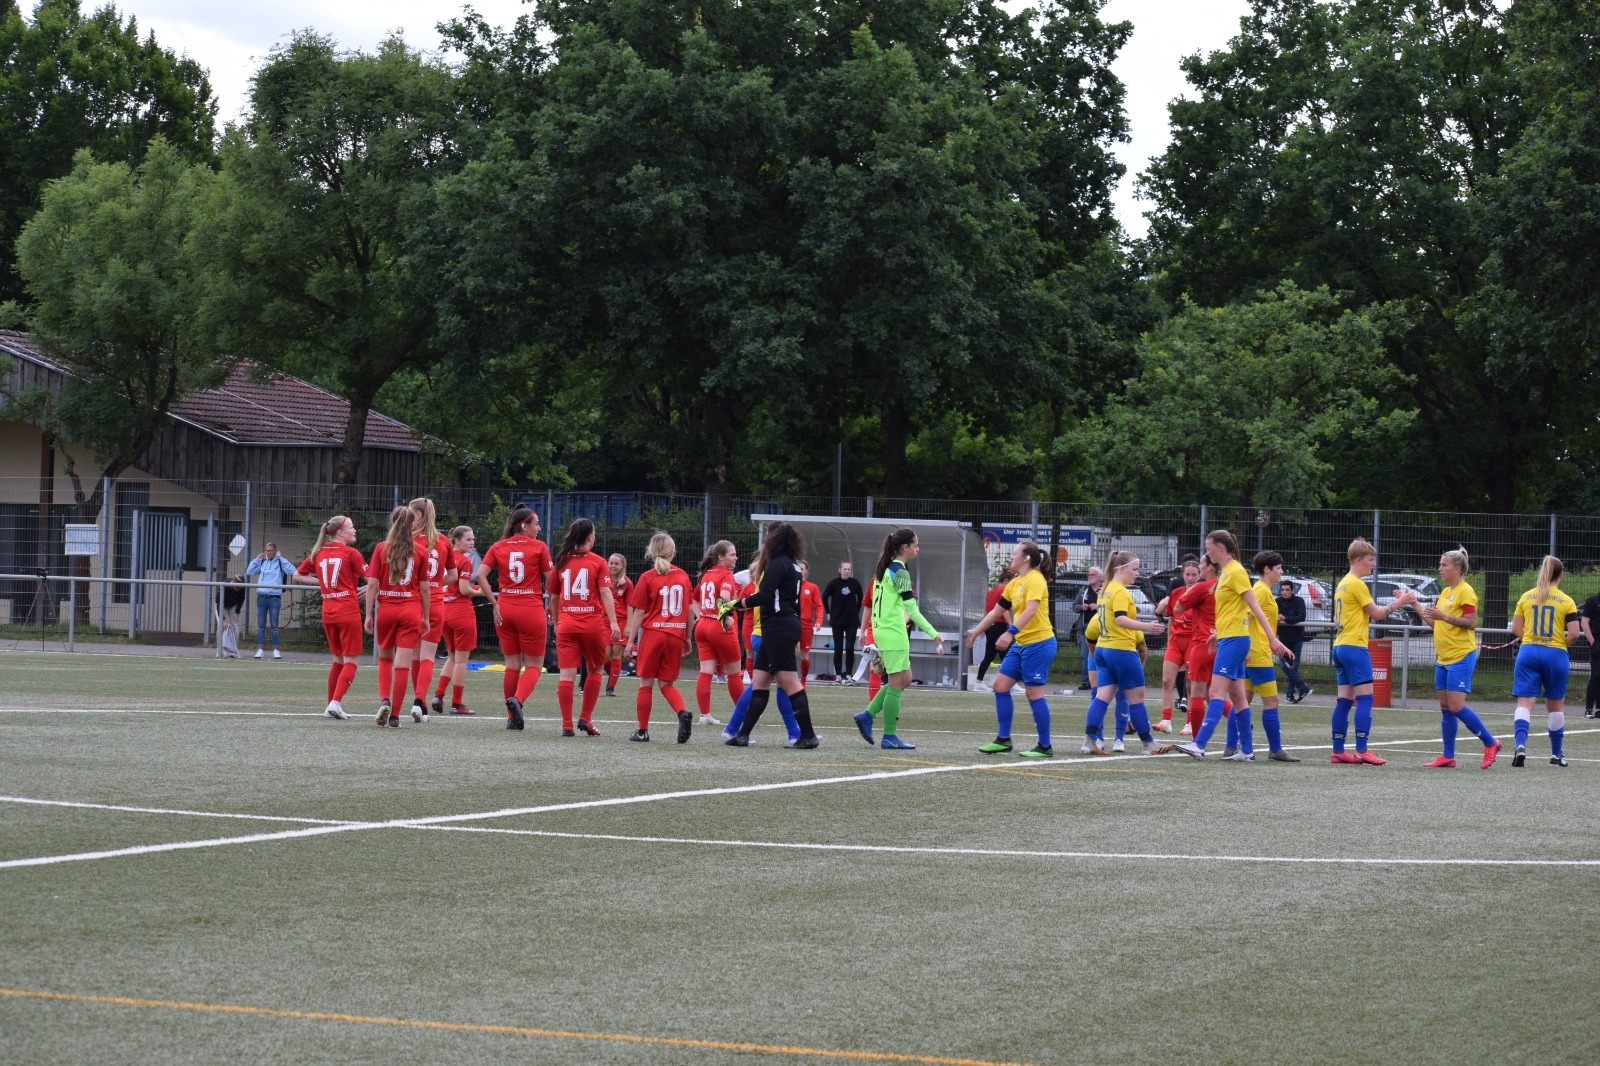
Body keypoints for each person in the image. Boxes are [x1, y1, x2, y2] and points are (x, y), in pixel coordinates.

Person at [1177, 530, 1292, 761]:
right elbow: (1233, 611)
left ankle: (1199, 744)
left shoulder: (1236, 572)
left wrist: (1272, 638)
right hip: (1229, 638)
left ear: (1220, 548)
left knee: (1215, 692)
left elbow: (1254, 607)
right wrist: (1219, 634)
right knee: (1238, 697)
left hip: (1235, 640)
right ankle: (1246, 751)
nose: (1207, 552)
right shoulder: (1226, 573)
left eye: (1208, 548)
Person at [719, 521, 819, 748]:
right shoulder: (793, 565)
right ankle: (743, 735)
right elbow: (793, 603)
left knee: (789, 682)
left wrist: (735, 604)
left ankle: (808, 735)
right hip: (779, 627)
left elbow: (764, 595)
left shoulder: (776, 564)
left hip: (778, 627)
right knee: (760, 681)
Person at [1321, 537, 1417, 765]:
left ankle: (1338, 751)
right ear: (1358, 560)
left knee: (1344, 700)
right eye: (1370, 560)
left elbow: (1339, 619)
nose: (1373, 564)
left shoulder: (1343, 583)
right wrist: (1402, 601)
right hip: (1354, 646)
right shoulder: (1356, 584)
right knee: (1365, 698)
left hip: (1340, 646)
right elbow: (1377, 614)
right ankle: (1362, 750)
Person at [851, 529, 945, 750]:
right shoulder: (900, 572)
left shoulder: (885, 568)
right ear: (905, 547)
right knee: (895, 684)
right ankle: (889, 736)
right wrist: (933, 633)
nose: (918, 549)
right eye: (915, 545)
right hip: (893, 632)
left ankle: (867, 715)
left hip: (885, 631)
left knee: (906, 679)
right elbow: (912, 610)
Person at [965, 541, 1057, 758]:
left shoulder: (1036, 579)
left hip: (1039, 643)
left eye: (1015, 553)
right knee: (1000, 686)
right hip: (1022, 644)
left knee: (1033, 693)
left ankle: (1045, 746)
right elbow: (996, 612)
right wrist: (977, 630)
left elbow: (1031, 610)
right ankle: (1004, 740)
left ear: (1026, 558)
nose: (1012, 556)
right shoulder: (1014, 583)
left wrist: (1010, 632)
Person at [1081, 551, 1171, 757]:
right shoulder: (1120, 591)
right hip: (1121, 650)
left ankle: (1089, 741)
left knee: (1102, 697)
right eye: (1135, 569)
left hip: (1103, 650)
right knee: (1136, 698)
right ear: (1122, 569)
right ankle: (1148, 744)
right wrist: (1148, 627)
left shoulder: (1105, 590)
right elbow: (1120, 619)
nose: (1137, 573)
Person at [1419, 547, 1500, 768]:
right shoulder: (1446, 592)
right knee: (1446, 708)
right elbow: (1436, 624)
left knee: (1456, 707)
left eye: (1443, 564)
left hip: (1461, 656)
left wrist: (1444, 616)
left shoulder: (1466, 591)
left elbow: (1471, 623)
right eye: (1440, 564)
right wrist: (1414, 603)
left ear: (1457, 568)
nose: (1439, 568)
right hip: (1443, 658)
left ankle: (1491, 742)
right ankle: (1448, 756)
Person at [475, 506, 554, 730]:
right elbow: (553, 581)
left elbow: (480, 575)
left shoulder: (498, 546)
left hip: (505, 609)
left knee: (511, 665)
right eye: (536, 524)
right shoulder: (539, 547)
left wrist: (494, 603)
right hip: (530, 609)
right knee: (534, 666)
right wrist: (552, 606)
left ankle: (512, 718)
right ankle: (517, 700)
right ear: (524, 526)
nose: (539, 528)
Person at [1509, 554, 1581, 767]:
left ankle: (1520, 746)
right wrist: (1560, 644)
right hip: (1555, 653)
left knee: (1524, 703)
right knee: (1556, 706)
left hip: (1528, 651)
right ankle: (1556, 755)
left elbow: (1516, 628)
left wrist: (1531, 641)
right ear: (1561, 575)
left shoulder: (1526, 596)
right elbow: (1574, 633)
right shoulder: (1566, 600)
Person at [292, 515, 366, 719]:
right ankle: (335, 702)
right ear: (340, 532)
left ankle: (330, 705)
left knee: (338, 660)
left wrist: (321, 583)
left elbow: (297, 575)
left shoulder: (319, 552)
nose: (354, 530)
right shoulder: (351, 553)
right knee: (351, 661)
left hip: (329, 612)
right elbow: (372, 578)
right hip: (347, 611)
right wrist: (371, 588)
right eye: (351, 527)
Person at [622, 533, 694, 742]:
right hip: (676, 634)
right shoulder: (683, 576)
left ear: (651, 552)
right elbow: (689, 610)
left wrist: (630, 641)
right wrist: (687, 637)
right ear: (672, 551)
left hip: (654, 634)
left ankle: (642, 731)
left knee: (646, 683)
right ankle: (682, 711)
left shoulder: (648, 577)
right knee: (666, 684)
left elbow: (639, 611)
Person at [364, 506, 429, 727]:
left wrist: (368, 614)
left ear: (392, 522)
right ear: (413, 524)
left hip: (387, 609)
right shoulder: (421, 551)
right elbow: (425, 588)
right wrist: (425, 616)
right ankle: (395, 716)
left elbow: (372, 584)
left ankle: (384, 699)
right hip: (410, 610)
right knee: (403, 665)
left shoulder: (381, 548)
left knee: (385, 658)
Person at [553, 518, 619, 736]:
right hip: (592, 624)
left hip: (567, 624)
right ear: (590, 536)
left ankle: (566, 726)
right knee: (595, 669)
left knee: (566, 675)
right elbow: (605, 592)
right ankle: (585, 718)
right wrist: (614, 622)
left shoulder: (562, 560)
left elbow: (554, 596)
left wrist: (557, 621)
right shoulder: (598, 562)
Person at [1237, 551, 1300, 762]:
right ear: (1267, 569)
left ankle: (1232, 746)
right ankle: (1276, 750)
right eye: (1279, 568)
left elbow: (1258, 624)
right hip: (1257, 655)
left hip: (1256, 652)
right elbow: (1245, 617)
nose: (1282, 571)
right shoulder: (1261, 591)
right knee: (1271, 701)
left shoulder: (1262, 590)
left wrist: (1276, 644)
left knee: (1243, 702)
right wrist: (1247, 647)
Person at [406, 498, 455, 722]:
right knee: (427, 656)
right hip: (435, 601)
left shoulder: (409, 539)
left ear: (419, 515)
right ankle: (420, 702)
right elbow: (453, 575)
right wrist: (435, 583)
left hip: (412, 600)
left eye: (411, 514)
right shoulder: (443, 540)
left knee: (414, 655)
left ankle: (420, 703)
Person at [691, 540, 743, 726]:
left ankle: (704, 715)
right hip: (718, 626)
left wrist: (701, 616)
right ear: (721, 557)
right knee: (734, 673)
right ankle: (744, 713)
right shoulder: (726, 575)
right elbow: (724, 598)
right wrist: (725, 615)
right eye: (732, 554)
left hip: (703, 626)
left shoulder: (706, 573)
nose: (736, 558)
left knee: (706, 671)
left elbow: (694, 599)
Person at [432, 525, 481, 716]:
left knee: (452, 657)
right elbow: (463, 589)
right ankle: (456, 703)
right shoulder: (464, 561)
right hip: (461, 612)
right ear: (456, 540)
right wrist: (479, 591)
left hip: (444, 610)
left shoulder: (443, 557)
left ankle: (438, 695)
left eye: (473, 539)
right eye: (468, 539)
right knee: (461, 661)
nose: (472, 543)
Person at [1173, 556, 1220, 737]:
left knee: (1197, 693)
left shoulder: (1202, 587)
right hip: (1224, 643)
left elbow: (1178, 607)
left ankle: (1196, 740)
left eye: (1201, 564)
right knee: (1218, 694)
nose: (1199, 567)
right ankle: (1240, 724)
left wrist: (1191, 591)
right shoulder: (1227, 586)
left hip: (1203, 642)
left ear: (1210, 567)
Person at [1154, 558, 1200, 729]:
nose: (1190, 578)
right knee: (1167, 680)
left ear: (1199, 575)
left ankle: (1190, 723)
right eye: (1187, 574)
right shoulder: (1176, 593)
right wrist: (1169, 641)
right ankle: (1166, 720)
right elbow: (1172, 618)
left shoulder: (1203, 594)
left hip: (1193, 641)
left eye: (1194, 574)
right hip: (1175, 641)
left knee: (1190, 684)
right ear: (1183, 575)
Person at [245, 542, 297, 659]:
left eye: (271, 551)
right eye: (267, 551)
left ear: (275, 551)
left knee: (274, 625)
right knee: (261, 624)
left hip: (274, 597)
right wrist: (257, 560)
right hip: (262, 596)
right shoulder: (263, 562)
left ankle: (276, 650)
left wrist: (281, 558)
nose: (269, 553)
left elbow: (292, 571)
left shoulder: (279, 562)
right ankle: (260, 649)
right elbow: (249, 571)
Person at [821, 561, 864, 682]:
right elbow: (824, 597)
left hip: (851, 621)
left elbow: (861, 597)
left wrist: (856, 610)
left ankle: (849, 674)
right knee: (838, 648)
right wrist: (828, 613)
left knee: (850, 647)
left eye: (849, 569)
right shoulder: (834, 583)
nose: (847, 571)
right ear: (839, 570)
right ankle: (838, 675)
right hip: (837, 620)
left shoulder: (855, 583)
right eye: (844, 569)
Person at [974, 570, 1014, 689]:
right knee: (1006, 655)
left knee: (989, 656)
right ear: (1006, 580)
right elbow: (1004, 610)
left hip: (990, 626)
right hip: (999, 625)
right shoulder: (1003, 591)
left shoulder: (991, 592)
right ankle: (1011, 683)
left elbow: (986, 610)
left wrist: (983, 626)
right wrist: (1012, 626)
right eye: (1011, 583)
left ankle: (978, 682)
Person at [1274, 579, 1311, 703]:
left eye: (1287, 590)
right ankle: (1302, 688)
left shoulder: (1299, 601)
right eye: (1282, 590)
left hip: (1297, 638)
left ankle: (1289, 695)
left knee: (1293, 667)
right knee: (1284, 665)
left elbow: (1301, 617)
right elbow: (1273, 616)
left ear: (1292, 590)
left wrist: (1285, 618)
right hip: (1283, 639)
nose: (1284, 592)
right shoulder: (1277, 602)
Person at [605, 553, 632, 697]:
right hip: (604, 621)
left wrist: (629, 625)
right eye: (611, 563)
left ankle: (611, 687)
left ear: (622, 566)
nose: (613, 566)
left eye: (617, 564)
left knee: (616, 653)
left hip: (621, 621)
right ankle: (612, 674)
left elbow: (630, 605)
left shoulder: (627, 583)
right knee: (604, 655)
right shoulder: (603, 579)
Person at [1074, 567, 1103, 688]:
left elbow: (1110, 607)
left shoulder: (1105, 591)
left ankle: (1102, 680)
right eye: (1089, 574)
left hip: (1101, 627)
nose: (1090, 576)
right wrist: (1081, 607)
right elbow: (1074, 606)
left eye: (1093, 574)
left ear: (1100, 577)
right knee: (1085, 655)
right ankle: (1086, 681)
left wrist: (1098, 607)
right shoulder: (1084, 590)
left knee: (1101, 655)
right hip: (1085, 626)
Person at [798, 560, 823, 684]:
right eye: (797, 569)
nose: (799, 571)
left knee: (804, 656)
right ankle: (788, 681)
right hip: (790, 624)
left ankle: (803, 680)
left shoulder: (812, 587)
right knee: (788, 654)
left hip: (806, 625)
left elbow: (819, 606)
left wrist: (819, 621)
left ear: (806, 571)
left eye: (802, 569)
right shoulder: (787, 586)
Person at [1580, 590, 1600, 718]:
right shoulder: (1592, 601)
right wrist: (1593, 642)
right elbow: (1584, 623)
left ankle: (1599, 710)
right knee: (1597, 675)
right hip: (1597, 642)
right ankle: (1589, 708)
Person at [219, 576, 246, 658]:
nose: (237, 590)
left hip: (233, 605)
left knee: (235, 626)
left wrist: (237, 611)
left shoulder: (242, 588)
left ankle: (234, 650)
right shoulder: (225, 586)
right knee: (220, 626)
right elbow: (218, 602)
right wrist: (223, 619)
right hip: (222, 604)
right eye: (236, 587)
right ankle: (219, 650)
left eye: (239, 588)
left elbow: (241, 599)